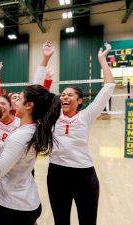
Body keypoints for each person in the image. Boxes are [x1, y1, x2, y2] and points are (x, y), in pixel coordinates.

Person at [47, 43, 115, 225]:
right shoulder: (53, 115)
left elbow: (108, 87)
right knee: (60, 221)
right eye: (63, 94)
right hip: (57, 174)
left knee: (88, 221)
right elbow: (38, 95)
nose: (64, 97)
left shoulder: (87, 115)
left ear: (79, 101)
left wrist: (102, 60)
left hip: (84, 176)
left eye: (70, 95)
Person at [0, 84, 61, 225]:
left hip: (15, 208)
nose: (14, 102)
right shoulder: (31, 128)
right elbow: (16, 156)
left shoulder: (21, 135)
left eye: (19, 99)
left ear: (29, 105)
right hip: (26, 201)